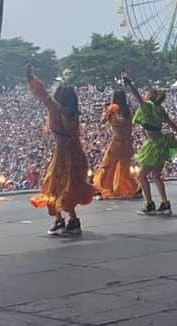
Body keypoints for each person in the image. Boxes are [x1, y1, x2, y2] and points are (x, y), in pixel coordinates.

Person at [26, 65, 94, 235]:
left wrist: (30, 78)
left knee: (53, 186)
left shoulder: (56, 109)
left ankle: (61, 221)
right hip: (76, 153)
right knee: (67, 187)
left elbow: (43, 95)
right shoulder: (72, 115)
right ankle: (71, 220)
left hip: (63, 154)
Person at [123, 73, 177, 216]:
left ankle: (149, 204)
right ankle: (165, 203)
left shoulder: (147, 107)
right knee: (156, 175)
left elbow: (136, 96)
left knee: (141, 176)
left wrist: (129, 83)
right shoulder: (160, 109)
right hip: (162, 143)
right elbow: (171, 123)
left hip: (153, 145)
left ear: (150, 96)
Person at [93, 89, 138, 199]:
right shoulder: (128, 111)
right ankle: (130, 188)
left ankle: (103, 188)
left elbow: (102, 121)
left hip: (117, 143)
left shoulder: (112, 109)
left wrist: (106, 111)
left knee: (108, 166)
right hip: (127, 143)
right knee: (124, 168)